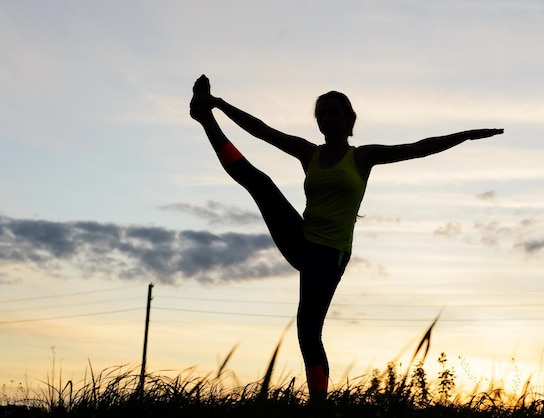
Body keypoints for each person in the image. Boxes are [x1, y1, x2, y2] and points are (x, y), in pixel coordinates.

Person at [189, 74, 503, 402]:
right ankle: (205, 118)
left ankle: (319, 404)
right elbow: (263, 131)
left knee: (308, 331)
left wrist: (465, 136)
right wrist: (218, 104)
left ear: (349, 119)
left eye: (333, 112)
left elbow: (418, 148)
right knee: (260, 182)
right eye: (321, 114)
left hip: (330, 254)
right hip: (301, 239)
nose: (326, 118)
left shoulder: (362, 157)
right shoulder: (308, 153)